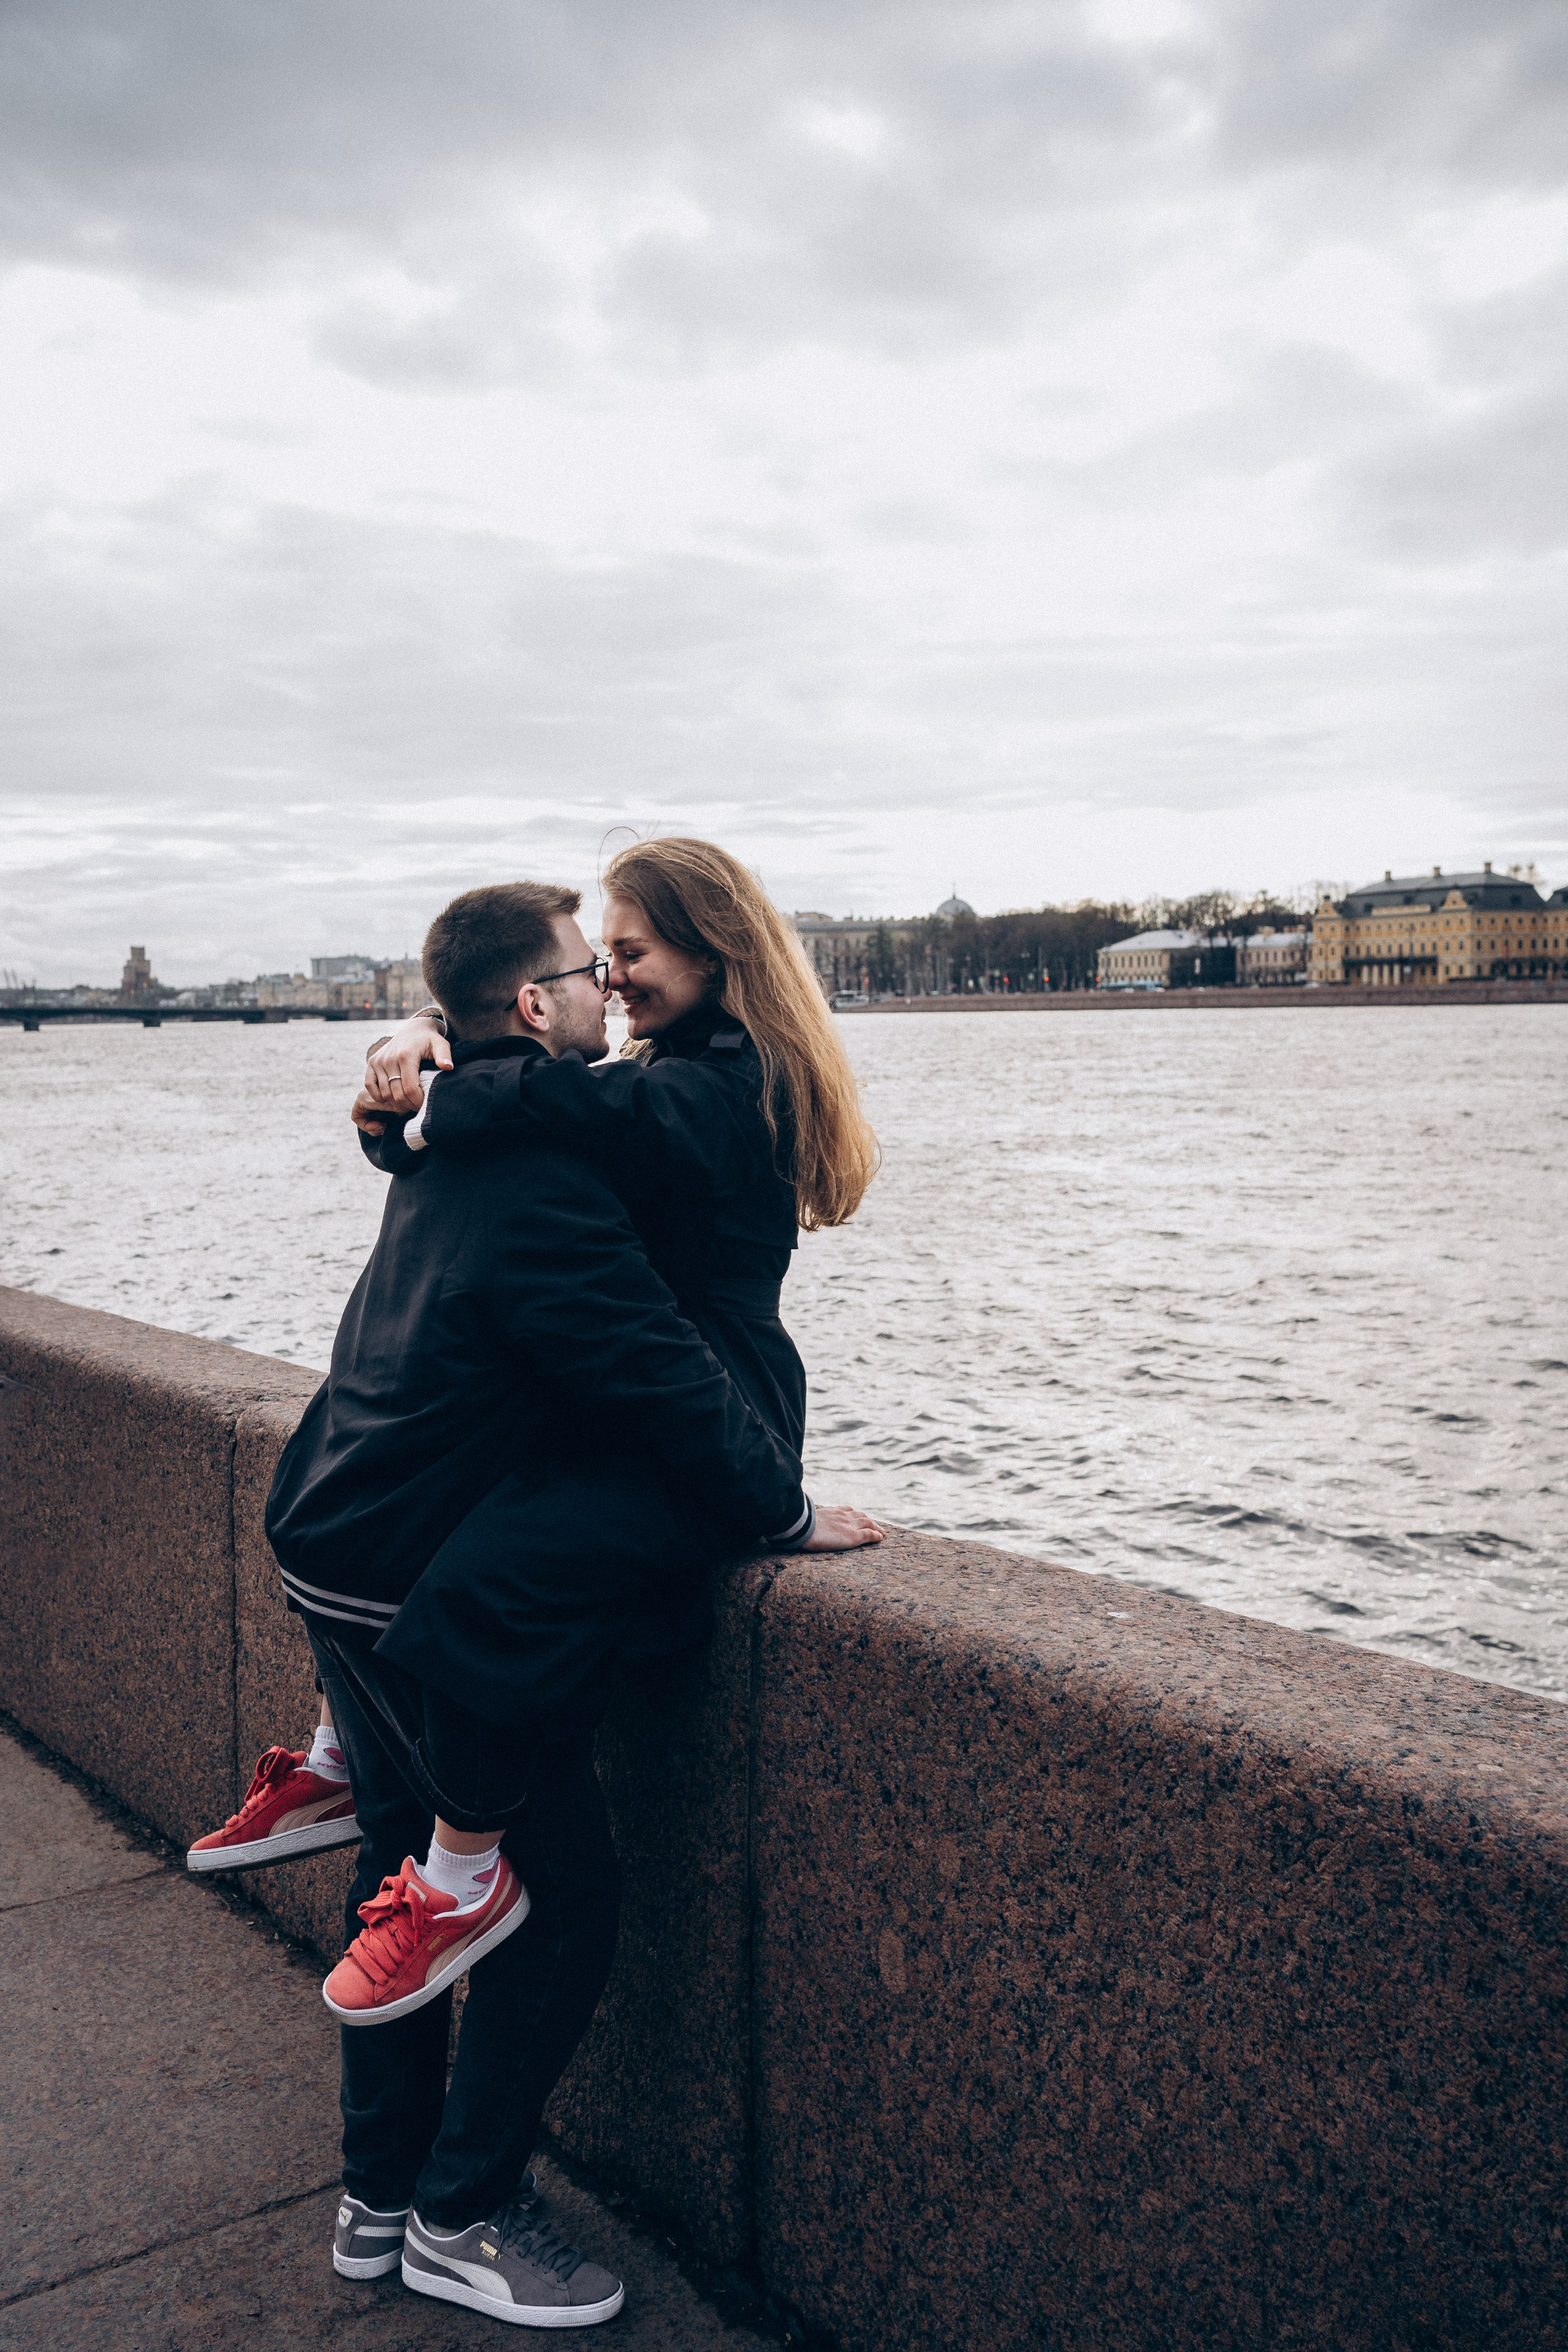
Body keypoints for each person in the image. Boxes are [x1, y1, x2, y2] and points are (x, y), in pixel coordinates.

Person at [188, 872, 881, 2329]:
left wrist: (418, 1084)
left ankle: (378, 2202)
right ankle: (459, 2211)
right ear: (533, 1000)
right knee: (549, 1908)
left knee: (410, 1884)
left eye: (628, 956)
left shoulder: (632, 1103)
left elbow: (590, 1135)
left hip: (346, 1546)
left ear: (706, 954)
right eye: (595, 961)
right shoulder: (564, 1128)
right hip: (410, 1581)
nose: (608, 983)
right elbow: (642, 1361)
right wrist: (778, 1506)